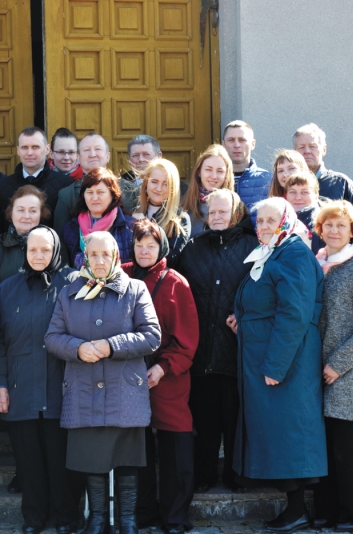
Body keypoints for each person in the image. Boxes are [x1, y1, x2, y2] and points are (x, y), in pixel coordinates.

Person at [45, 231, 161, 534]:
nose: (98, 260)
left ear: (116, 257)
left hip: (124, 390)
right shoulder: (70, 292)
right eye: (92, 255)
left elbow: (151, 335)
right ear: (84, 257)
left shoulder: (135, 289)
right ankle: (96, 518)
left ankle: (128, 521)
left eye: (105, 254)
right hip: (83, 389)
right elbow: (52, 338)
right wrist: (77, 348)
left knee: (127, 461)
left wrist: (112, 346)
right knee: (91, 458)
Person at [232, 197, 326, 532]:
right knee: (278, 432)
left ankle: (297, 510)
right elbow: (265, 301)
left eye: (271, 220)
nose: (264, 226)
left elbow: (294, 314)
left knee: (290, 433)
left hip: (286, 361)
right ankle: (293, 508)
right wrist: (241, 318)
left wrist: (276, 365)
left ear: (286, 220)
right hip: (265, 354)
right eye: (260, 221)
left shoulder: (295, 253)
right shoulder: (274, 252)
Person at [0, 226, 79, 534]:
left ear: (55, 251)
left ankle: (64, 516)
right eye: (32, 250)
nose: (38, 255)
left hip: (62, 389)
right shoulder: (6, 290)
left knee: (60, 459)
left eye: (44, 250)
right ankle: (33, 518)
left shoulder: (73, 284)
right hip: (20, 389)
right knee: (28, 462)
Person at [177, 189, 257, 494]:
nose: (218, 217)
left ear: (236, 214)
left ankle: (237, 476)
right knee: (205, 418)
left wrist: (246, 316)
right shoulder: (193, 248)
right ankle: (204, 474)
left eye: (223, 212)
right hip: (202, 350)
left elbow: (264, 292)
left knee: (236, 420)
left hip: (238, 351)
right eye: (213, 213)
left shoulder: (253, 248)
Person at [309, 201, 353, 531]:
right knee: (323, 446)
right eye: (328, 224)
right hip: (314, 371)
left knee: (347, 448)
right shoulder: (315, 265)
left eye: (341, 225)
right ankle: (327, 509)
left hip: (349, 371)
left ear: (352, 230)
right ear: (319, 229)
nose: (334, 230)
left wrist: (337, 364)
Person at [122, 219, 198, 534]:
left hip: (167, 375)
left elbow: (187, 340)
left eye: (150, 245)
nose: (144, 251)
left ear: (161, 248)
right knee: (136, 449)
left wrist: (163, 368)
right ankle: (143, 513)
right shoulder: (120, 274)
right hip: (126, 375)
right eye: (139, 245)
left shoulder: (175, 282)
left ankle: (175, 516)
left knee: (175, 444)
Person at [0, 127, 73, 235]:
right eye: (24, 147)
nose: (29, 153)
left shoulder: (66, 185)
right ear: (18, 150)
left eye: (35, 147)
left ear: (47, 149)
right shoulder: (3, 186)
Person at [0, 185, 53, 301]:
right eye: (20, 210)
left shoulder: (54, 247)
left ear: (41, 214)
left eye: (33, 211)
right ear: (11, 213)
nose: (26, 216)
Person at [62, 168, 135, 268]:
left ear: (113, 194)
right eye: (90, 192)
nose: (95, 198)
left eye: (100, 192)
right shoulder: (71, 228)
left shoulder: (130, 227)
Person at [132, 158, 190, 270]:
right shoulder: (134, 213)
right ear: (146, 183)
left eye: (165, 184)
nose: (159, 188)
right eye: (154, 182)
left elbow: (173, 259)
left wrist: (149, 227)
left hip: (161, 282)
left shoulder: (180, 219)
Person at [293, 123, 353, 214]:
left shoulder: (342, 184)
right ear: (295, 151)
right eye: (301, 147)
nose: (307, 151)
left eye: (312, 146)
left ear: (324, 150)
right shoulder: (286, 184)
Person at [54, 133, 112, 235]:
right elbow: (60, 238)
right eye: (86, 150)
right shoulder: (67, 195)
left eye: (98, 149)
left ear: (108, 156)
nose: (93, 154)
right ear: (78, 158)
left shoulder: (128, 190)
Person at [180, 145, 235, 238]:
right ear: (199, 172)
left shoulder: (237, 209)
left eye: (220, 171)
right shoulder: (183, 207)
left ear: (226, 175)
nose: (214, 176)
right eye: (208, 169)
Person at [222, 120, 271, 210]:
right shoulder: (213, 179)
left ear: (253, 144)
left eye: (242, 140)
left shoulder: (268, 180)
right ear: (223, 144)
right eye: (231, 140)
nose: (236, 145)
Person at [284, 172, 324, 254]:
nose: (298, 197)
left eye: (304, 192)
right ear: (286, 195)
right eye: (292, 192)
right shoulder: (279, 222)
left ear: (316, 195)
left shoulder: (323, 223)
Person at [122, 135, 163, 213]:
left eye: (146, 154)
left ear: (159, 156)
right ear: (129, 159)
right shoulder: (118, 187)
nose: (141, 159)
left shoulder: (177, 187)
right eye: (135, 155)